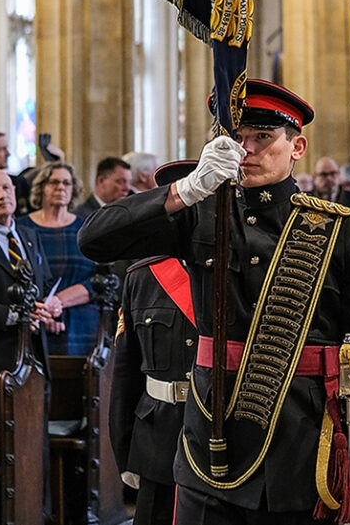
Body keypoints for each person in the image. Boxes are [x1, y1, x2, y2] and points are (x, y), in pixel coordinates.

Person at [80, 79, 350, 525]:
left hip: (301, 450)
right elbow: (93, 239)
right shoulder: (199, 214)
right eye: (235, 138)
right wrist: (185, 189)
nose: (247, 150)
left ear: (297, 146)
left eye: (263, 138)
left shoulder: (339, 232)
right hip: (210, 444)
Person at [110, 160, 200, 525]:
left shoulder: (241, 269)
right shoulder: (142, 275)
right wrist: (125, 449)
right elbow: (125, 371)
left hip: (221, 436)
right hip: (156, 436)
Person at [0, 168, 57, 374]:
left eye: (6, 188)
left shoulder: (29, 235)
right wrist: (15, 314)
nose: (2, 195)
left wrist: (52, 303)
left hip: (35, 352)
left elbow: (45, 283)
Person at [19, 161, 100, 356]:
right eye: (54, 182)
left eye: (66, 183)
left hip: (81, 324)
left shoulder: (87, 228)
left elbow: (98, 280)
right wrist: (45, 310)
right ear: (41, 188)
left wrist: (57, 302)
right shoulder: (22, 227)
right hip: (34, 320)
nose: (61, 187)